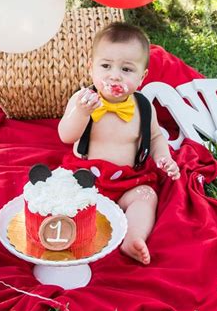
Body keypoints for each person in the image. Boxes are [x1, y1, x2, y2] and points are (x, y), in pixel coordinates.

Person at [58, 22, 180, 265]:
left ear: (142, 77)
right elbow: (66, 136)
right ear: (90, 68)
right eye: (105, 66)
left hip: (128, 181)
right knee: (64, 199)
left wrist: (164, 158)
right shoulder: (82, 100)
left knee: (146, 198)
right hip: (84, 178)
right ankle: (71, 233)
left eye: (126, 69)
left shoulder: (143, 107)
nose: (114, 75)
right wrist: (81, 113)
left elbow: (155, 137)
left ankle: (133, 237)